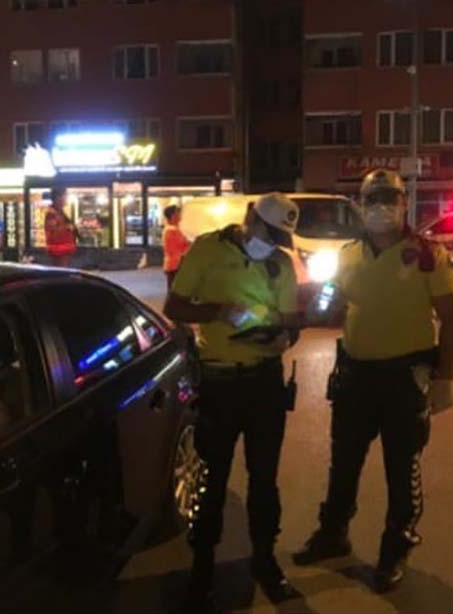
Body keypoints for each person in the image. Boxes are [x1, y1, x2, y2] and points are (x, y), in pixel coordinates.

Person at [293, 169, 453, 593]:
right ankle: (333, 534)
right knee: (343, 464)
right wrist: (311, 309)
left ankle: (395, 548)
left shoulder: (429, 254)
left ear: (405, 203)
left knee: (402, 469)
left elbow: (452, 319)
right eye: (373, 199)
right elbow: (333, 301)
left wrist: (444, 378)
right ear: (361, 205)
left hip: (404, 380)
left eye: (390, 198)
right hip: (355, 375)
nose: (381, 207)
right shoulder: (349, 253)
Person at [164, 193, 301, 612]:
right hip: (219, 382)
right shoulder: (208, 249)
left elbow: (291, 321)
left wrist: (283, 337)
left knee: (265, 480)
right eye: (268, 233)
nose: (271, 244)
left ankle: (265, 561)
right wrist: (219, 312)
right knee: (212, 480)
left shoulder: (280, 263)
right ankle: (202, 569)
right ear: (250, 219)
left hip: (265, 383)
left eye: (279, 238)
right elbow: (175, 305)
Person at [44, 187, 78, 267]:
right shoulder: (52, 214)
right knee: (61, 271)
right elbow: (53, 234)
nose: (66, 198)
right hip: (59, 251)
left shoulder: (59, 213)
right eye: (65, 195)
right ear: (58, 198)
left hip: (63, 250)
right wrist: (68, 228)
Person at [161, 204, 191, 289]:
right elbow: (184, 244)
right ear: (173, 216)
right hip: (175, 265)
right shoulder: (172, 230)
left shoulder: (172, 229)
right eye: (178, 213)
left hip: (174, 264)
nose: (180, 215)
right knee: (175, 290)